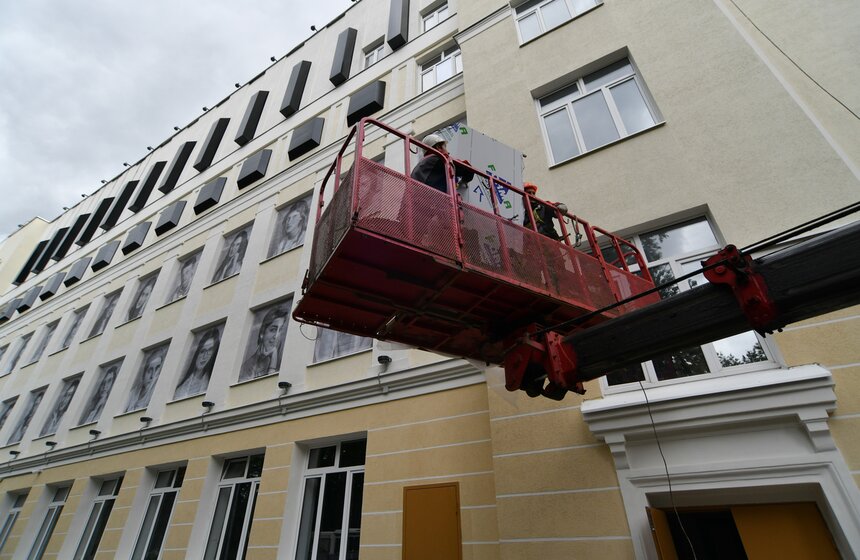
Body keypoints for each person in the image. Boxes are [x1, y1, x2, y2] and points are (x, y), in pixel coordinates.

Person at [410, 134, 475, 193]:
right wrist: (464, 181)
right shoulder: (438, 159)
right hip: (431, 201)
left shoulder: (421, 166)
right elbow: (468, 168)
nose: (448, 152)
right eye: (445, 147)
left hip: (417, 202)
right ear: (439, 147)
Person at [239, 305, 289, 381]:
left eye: (280, 330)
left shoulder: (284, 362)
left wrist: (273, 361)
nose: (276, 336)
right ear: (262, 333)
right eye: (273, 330)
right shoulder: (247, 366)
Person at [174, 328, 220, 399]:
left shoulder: (211, 384)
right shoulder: (181, 389)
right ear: (197, 353)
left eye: (210, 351)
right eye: (202, 351)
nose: (204, 356)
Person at [125, 348, 166, 412]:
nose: (152, 376)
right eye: (150, 370)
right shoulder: (133, 393)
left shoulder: (157, 393)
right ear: (144, 373)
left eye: (157, 369)